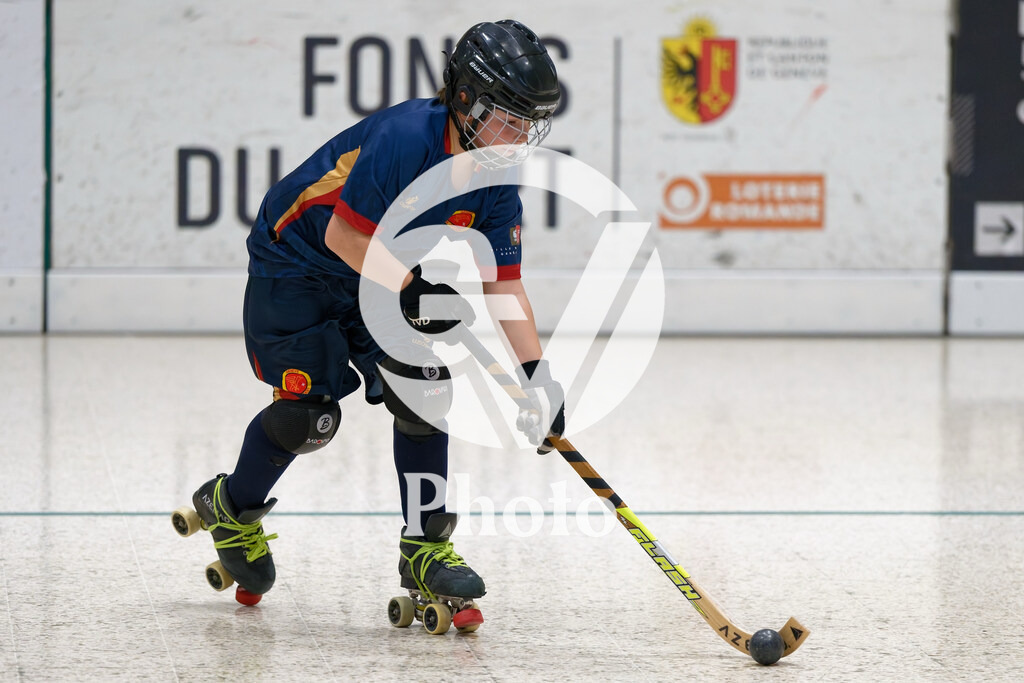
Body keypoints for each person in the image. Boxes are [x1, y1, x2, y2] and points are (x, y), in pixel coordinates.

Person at [173, 20, 566, 629]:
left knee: (426, 390)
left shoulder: (496, 179)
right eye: (507, 119)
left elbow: (504, 285)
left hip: (374, 267)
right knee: (311, 418)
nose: (518, 138)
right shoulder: (406, 138)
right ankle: (231, 506)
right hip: (296, 259)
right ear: (464, 99)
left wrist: (537, 377)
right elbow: (342, 234)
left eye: (528, 125)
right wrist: (410, 288)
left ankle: (425, 547)